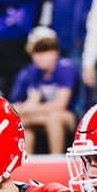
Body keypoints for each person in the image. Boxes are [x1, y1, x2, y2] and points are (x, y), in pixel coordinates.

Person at [10, 27, 79, 155]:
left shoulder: (64, 67)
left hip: (70, 115)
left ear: (55, 52)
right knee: (22, 122)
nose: (40, 56)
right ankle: (26, 164)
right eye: (37, 51)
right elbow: (32, 101)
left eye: (45, 50)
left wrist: (29, 108)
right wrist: (23, 108)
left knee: (54, 118)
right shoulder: (33, 71)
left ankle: (55, 162)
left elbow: (60, 105)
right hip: (44, 114)